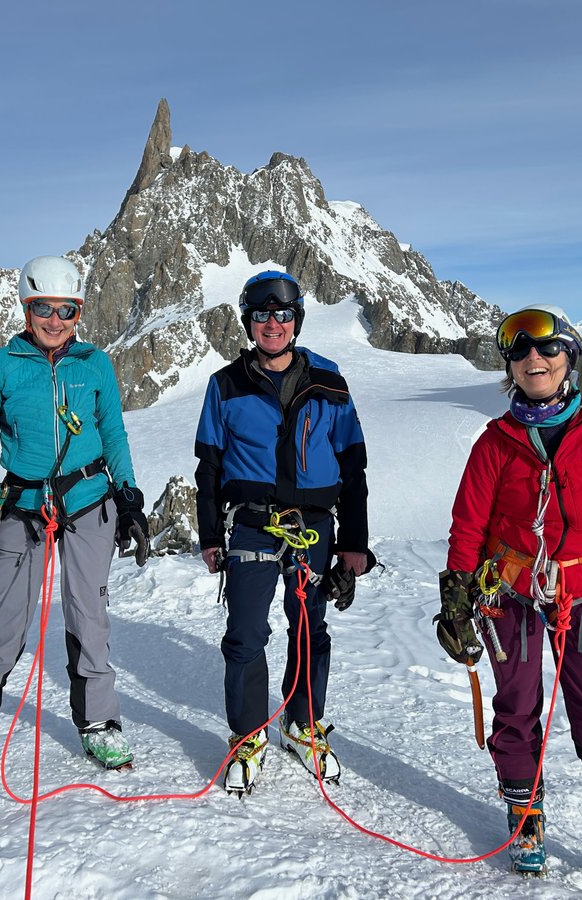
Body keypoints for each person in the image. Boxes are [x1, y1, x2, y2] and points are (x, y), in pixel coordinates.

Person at [438, 305, 582, 898]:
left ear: (569, 355)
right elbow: (468, 524)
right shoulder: (495, 443)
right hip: (510, 593)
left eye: (545, 350)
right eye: (519, 353)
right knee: (517, 707)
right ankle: (525, 815)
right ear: (509, 368)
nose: (533, 361)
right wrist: (457, 595)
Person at [0, 255, 150, 810]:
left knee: (89, 616)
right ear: (27, 309)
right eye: (44, 308)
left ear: (79, 311)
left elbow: (113, 432)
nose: (55, 319)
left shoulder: (95, 364)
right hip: (24, 508)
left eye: (66, 309)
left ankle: (98, 721)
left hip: (88, 499)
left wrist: (127, 495)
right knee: (3, 628)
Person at [194, 270, 373, 795]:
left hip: (314, 526)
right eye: (262, 315)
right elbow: (209, 463)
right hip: (250, 523)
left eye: (283, 314)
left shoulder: (329, 380)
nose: (272, 324)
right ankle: (248, 733)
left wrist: (354, 542)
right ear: (249, 322)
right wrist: (209, 534)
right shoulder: (225, 384)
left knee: (309, 627)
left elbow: (352, 462)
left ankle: (302, 723)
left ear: (296, 320)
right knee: (246, 633)